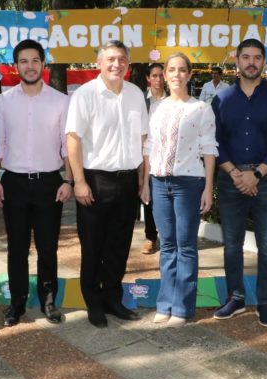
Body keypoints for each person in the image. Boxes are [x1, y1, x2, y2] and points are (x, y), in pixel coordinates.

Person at [211, 39, 267, 327]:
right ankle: (235, 298)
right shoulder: (221, 99)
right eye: (245, 57)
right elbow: (214, 142)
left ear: (264, 61)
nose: (251, 62)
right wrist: (236, 173)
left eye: (256, 57)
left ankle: (265, 302)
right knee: (231, 244)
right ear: (236, 60)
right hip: (230, 179)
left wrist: (256, 174)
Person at [65, 40, 148, 328]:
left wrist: (141, 178)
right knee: (93, 246)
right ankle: (94, 303)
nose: (117, 64)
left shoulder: (136, 94)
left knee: (119, 245)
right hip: (94, 181)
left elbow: (141, 140)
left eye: (122, 59)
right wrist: (79, 182)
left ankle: (113, 299)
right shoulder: (85, 95)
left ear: (128, 63)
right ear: (99, 63)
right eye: (111, 59)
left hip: (127, 182)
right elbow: (72, 140)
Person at [0, 40, 72, 327]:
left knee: (48, 247)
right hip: (13, 183)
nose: (30, 66)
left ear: (43, 65)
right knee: (17, 247)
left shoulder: (61, 101)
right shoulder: (3, 101)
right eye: (24, 61)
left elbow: (67, 145)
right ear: (16, 67)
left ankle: (49, 301)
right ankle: (17, 303)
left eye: (35, 60)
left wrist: (69, 180)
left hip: (50, 183)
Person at [140, 53, 217, 327]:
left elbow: (209, 150)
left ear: (189, 74)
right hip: (159, 183)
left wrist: (208, 188)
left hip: (188, 183)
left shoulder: (201, 109)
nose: (175, 74)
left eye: (181, 70)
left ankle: (183, 307)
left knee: (185, 247)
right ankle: (165, 303)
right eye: (171, 70)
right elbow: (149, 148)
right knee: (167, 244)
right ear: (164, 74)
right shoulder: (157, 108)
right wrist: (145, 183)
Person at [141, 62, 166, 255]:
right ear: (148, 78)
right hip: (146, 158)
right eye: (154, 76)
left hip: (168, 158)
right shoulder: (141, 101)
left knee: (167, 200)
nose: (158, 79)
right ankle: (151, 237)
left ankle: (168, 238)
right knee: (148, 199)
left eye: (161, 75)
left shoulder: (174, 100)